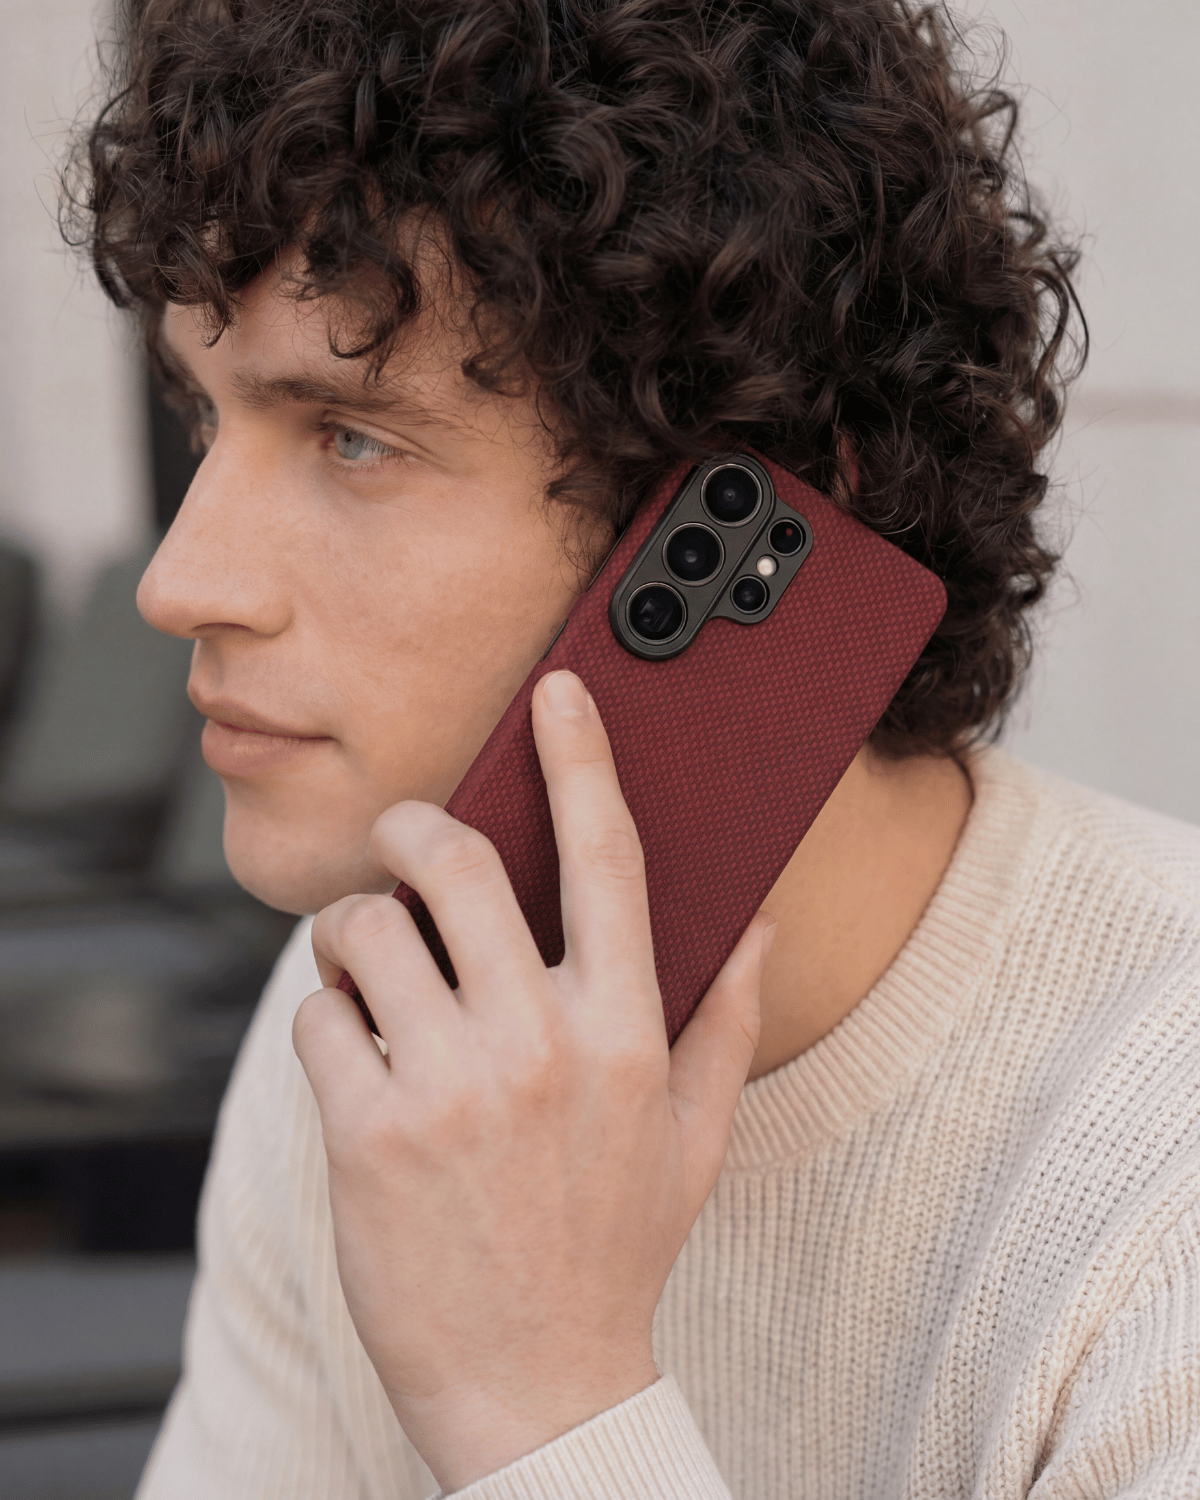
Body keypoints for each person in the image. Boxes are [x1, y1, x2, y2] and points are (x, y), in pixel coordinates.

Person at [70, 0, 1200, 1494]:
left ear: (768, 526)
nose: (179, 581)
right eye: (207, 422)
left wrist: (544, 1403)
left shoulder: (1158, 1190)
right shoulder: (388, 1007)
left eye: (354, 437)